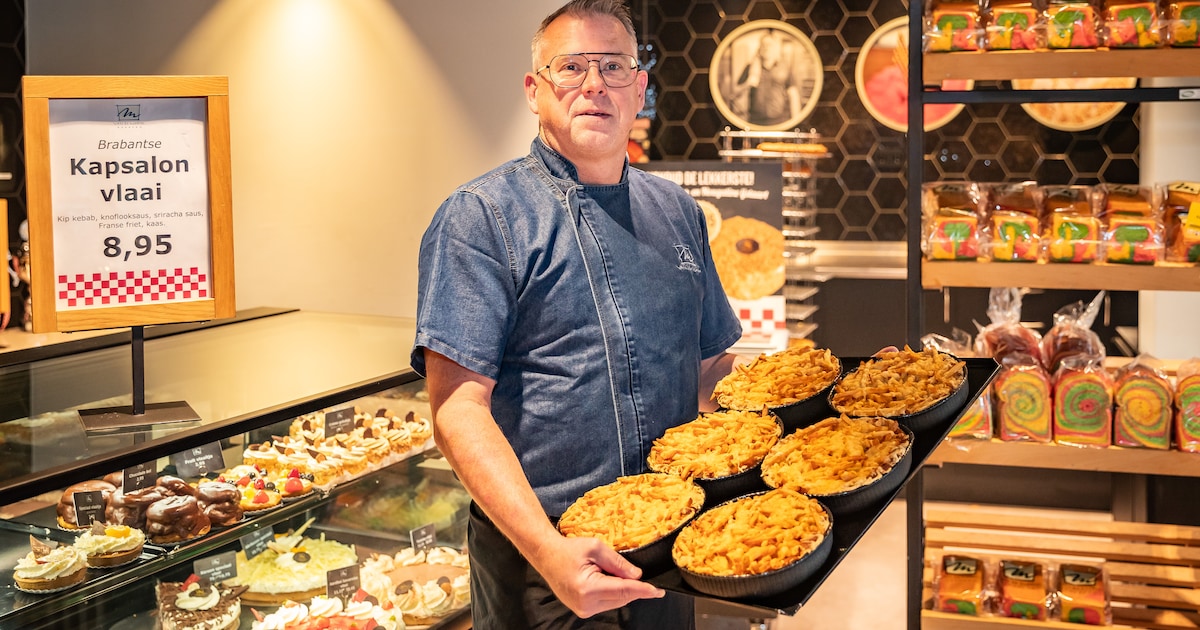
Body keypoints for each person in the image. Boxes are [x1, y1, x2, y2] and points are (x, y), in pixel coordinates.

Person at [410, 0, 743, 627]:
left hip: (673, 547)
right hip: (544, 563)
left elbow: (710, 372)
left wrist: (838, 399)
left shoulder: (677, 212)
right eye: (571, 67)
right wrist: (548, 552)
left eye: (614, 66)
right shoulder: (481, 218)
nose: (595, 85)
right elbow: (458, 408)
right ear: (535, 91)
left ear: (640, 88)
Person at [731, 28, 804, 127]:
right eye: (763, 45)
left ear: (775, 48)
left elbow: (793, 96)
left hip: (781, 123)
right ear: (759, 48)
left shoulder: (785, 68)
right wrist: (748, 83)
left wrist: (796, 123)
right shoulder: (750, 67)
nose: (766, 48)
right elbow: (733, 94)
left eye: (769, 45)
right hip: (755, 123)